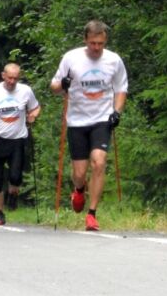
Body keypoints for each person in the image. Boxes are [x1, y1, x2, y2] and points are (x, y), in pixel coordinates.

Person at [50, 20, 128, 232]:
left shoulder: (113, 60)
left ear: (105, 41)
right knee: (79, 172)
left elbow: (121, 87)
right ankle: (78, 188)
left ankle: (92, 214)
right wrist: (62, 85)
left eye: (100, 43)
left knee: (99, 162)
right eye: (93, 43)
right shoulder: (71, 58)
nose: (96, 48)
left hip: (102, 119)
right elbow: (54, 86)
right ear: (85, 40)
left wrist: (117, 112)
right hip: (77, 121)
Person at [0, 62, 41, 226]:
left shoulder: (25, 91)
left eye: (15, 79)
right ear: (3, 76)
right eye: (9, 78)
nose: (12, 81)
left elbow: (36, 108)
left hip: (17, 139)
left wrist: (33, 115)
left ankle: (13, 193)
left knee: (15, 176)